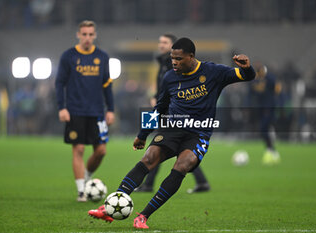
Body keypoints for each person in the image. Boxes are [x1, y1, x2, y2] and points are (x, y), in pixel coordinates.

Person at [88, 37, 255, 229]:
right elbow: (159, 108)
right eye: (172, 58)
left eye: (178, 58)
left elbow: (246, 76)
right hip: (172, 128)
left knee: (183, 165)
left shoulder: (213, 72)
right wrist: (143, 134)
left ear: (191, 57)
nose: (174, 62)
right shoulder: (169, 77)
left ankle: (143, 216)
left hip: (198, 134)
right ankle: (109, 207)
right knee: (149, 158)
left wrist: (247, 67)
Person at [135, 33, 211, 194]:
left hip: (172, 113)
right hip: (163, 107)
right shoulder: (164, 63)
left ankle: (148, 184)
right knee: (165, 145)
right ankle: (201, 181)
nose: (161, 45)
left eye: (165, 42)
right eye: (160, 42)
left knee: (161, 144)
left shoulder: (175, 66)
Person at [55, 20, 115, 202]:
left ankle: (86, 176)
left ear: (95, 35)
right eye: (84, 34)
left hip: (97, 111)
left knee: (101, 151)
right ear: (78, 35)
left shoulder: (102, 57)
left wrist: (111, 109)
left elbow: (107, 85)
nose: (87, 38)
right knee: (79, 149)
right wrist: (62, 107)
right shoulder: (68, 56)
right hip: (75, 110)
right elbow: (59, 83)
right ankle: (81, 191)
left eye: (90, 34)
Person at [249, 62, 281, 165]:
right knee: (263, 129)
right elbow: (251, 92)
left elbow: (277, 88)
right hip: (260, 108)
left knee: (264, 127)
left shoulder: (269, 78)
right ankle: (271, 148)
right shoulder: (255, 80)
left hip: (269, 107)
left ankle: (270, 147)